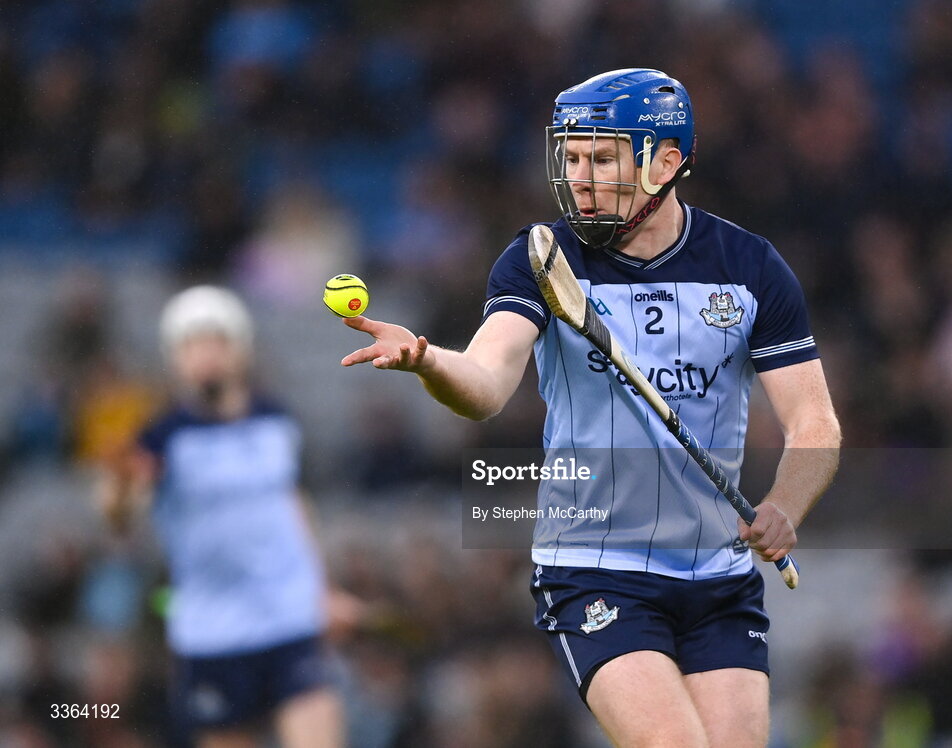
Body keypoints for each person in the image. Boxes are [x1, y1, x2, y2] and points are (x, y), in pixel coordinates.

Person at [341, 68, 841, 746]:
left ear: (665, 161)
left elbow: (813, 422)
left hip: (718, 578)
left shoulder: (748, 267)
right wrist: (431, 362)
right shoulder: (541, 260)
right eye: (571, 156)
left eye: (601, 157)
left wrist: (785, 502)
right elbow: (486, 383)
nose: (578, 174)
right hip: (595, 568)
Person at [98, 285, 352, 748]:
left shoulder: (275, 418)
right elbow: (121, 515)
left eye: (217, 341)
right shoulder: (160, 438)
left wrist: (323, 590)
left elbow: (290, 503)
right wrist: (119, 488)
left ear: (240, 349)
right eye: (192, 344)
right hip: (212, 634)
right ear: (175, 357)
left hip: (288, 620)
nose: (207, 356)